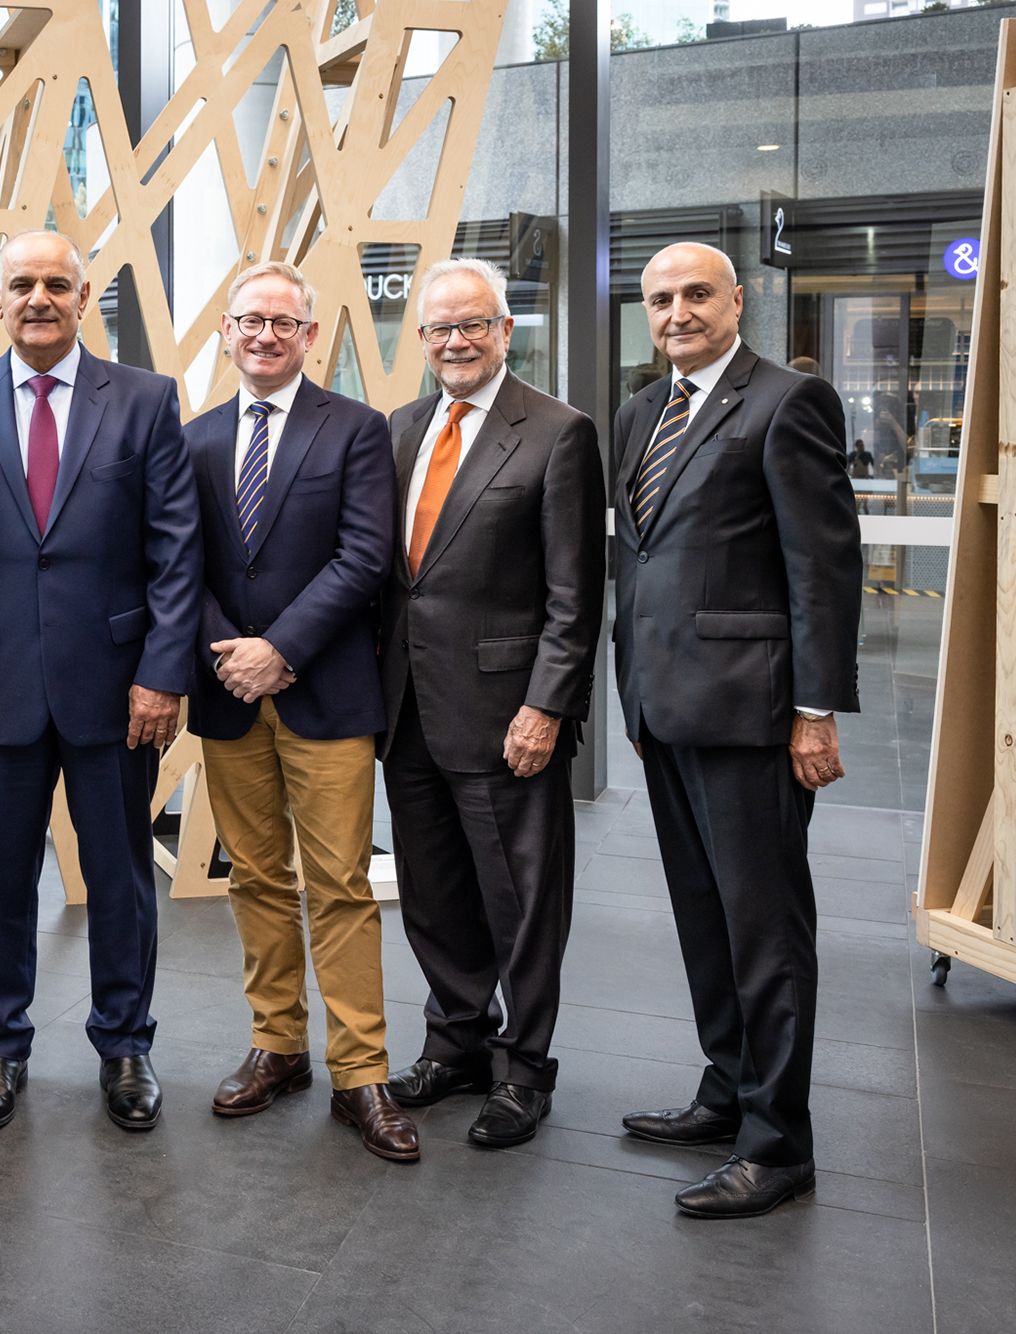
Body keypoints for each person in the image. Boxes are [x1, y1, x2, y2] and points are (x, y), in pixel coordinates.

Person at [0, 230, 201, 1133]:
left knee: (120, 877)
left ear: (85, 300)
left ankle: (126, 1046)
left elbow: (175, 551)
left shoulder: (147, 401)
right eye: (22, 284)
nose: (40, 297)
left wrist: (161, 673)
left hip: (120, 688)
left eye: (58, 284)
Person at [613, 241, 861, 1219]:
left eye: (693, 294)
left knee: (763, 930)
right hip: (664, 708)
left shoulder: (785, 400)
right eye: (659, 297)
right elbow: (638, 563)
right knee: (702, 920)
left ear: (735, 299)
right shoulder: (640, 410)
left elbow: (821, 567)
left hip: (753, 714)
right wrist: (630, 693)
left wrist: (813, 706)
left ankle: (777, 1139)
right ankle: (725, 1091)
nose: (676, 311)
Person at [181, 262, 413, 1159]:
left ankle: (363, 1074)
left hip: (325, 691)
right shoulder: (195, 438)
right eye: (250, 321)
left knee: (343, 886)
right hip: (228, 693)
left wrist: (280, 649)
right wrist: (231, 655)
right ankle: (277, 1047)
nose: (267, 336)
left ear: (311, 335)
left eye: (284, 322)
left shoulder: (355, 430)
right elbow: (180, 564)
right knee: (256, 879)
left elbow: (364, 557)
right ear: (227, 333)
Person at [377, 258, 606, 1150]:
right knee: (433, 893)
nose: (456, 341)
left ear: (506, 331)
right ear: (423, 339)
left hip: (508, 712)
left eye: (473, 324)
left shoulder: (557, 432)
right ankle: (457, 1043)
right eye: (439, 328)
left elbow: (574, 596)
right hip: (409, 711)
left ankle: (523, 1068)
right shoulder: (399, 431)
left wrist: (546, 706)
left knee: (521, 899)